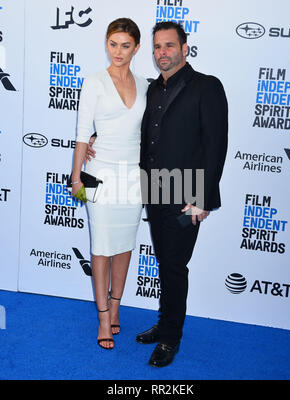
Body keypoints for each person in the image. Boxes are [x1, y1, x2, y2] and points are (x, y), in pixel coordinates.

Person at [135, 21, 228, 367]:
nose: (162, 53)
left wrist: (203, 198)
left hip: (187, 193)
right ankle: (164, 323)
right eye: (157, 47)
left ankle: (171, 338)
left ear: (185, 48)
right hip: (154, 190)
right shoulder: (151, 90)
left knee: (175, 265)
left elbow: (215, 145)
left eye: (169, 46)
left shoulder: (207, 86)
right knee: (165, 262)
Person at [71, 18, 148, 350]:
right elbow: (80, 134)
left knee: (125, 244)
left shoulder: (147, 85)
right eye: (113, 44)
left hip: (134, 174)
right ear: (106, 44)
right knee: (101, 245)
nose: (118, 51)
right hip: (97, 173)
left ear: (137, 48)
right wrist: (76, 177)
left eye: (125, 45)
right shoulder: (94, 83)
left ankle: (116, 307)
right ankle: (103, 317)